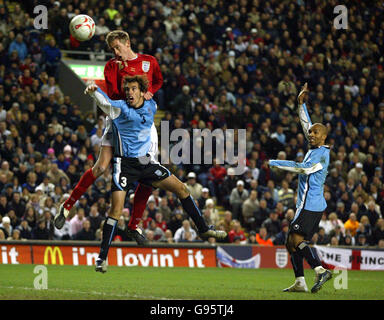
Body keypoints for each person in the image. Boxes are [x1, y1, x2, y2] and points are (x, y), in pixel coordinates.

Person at [84, 76, 227, 273]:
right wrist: (94, 91)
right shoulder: (120, 108)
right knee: (116, 211)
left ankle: (203, 229)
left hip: (146, 163)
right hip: (125, 164)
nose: (129, 93)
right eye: (127, 89)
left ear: (142, 92)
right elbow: (105, 103)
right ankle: (102, 258)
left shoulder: (151, 106)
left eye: (133, 89)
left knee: (182, 188)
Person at [54, 30, 163, 245]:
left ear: (127, 43)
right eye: (112, 49)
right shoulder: (112, 66)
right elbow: (113, 95)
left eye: (117, 47)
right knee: (101, 167)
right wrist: (120, 77)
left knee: (150, 172)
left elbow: (158, 81)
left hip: (141, 123)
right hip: (118, 119)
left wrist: (150, 92)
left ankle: (133, 225)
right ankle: (67, 205)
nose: (115, 52)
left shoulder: (149, 62)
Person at [269, 83, 332, 293]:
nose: (311, 134)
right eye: (311, 132)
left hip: (310, 205)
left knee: (296, 240)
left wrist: (276, 162)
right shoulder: (315, 146)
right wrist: (301, 104)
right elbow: (307, 125)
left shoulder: (322, 154)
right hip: (306, 204)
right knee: (290, 242)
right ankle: (300, 282)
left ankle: (320, 269)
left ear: (324, 137)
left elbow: (304, 169)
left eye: (315, 133)